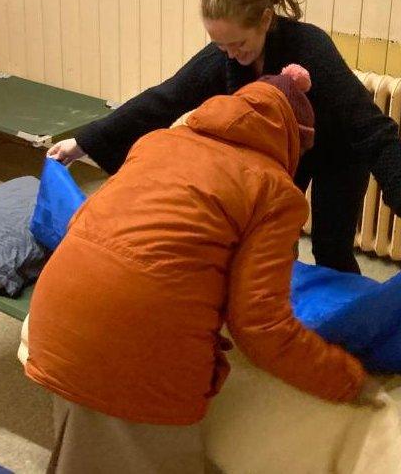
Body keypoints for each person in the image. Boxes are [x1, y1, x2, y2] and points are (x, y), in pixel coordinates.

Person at [26, 66, 381, 473]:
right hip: (126, 341)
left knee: (85, 450)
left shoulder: (158, 142)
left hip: (55, 317)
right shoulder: (273, 190)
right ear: (292, 139)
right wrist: (348, 380)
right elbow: (262, 325)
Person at [48, 0, 401, 274]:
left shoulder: (311, 47)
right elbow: (163, 100)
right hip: (285, 155)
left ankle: (345, 333)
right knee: (269, 244)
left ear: (265, 20)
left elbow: (369, 126)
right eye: (219, 43)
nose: (230, 53)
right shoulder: (225, 54)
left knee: (332, 249)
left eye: (239, 43)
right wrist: (82, 143)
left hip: (338, 149)